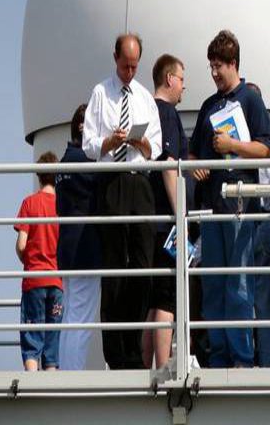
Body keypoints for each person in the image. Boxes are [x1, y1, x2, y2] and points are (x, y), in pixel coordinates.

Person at [189, 30, 270, 368]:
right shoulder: (208, 106)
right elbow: (193, 152)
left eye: (219, 65)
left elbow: (265, 149)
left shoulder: (251, 101)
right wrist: (196, 167)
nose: (214, 73)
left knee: (239, 282)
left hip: (240, 206)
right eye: (211, 65)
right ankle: (219, 355)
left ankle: (241, 356)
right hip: (212, 207)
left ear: (234, 63)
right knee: (213, 284)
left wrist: (232, 147)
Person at [82, 32, 162, 369]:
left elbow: (156, 149)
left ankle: (132, 344)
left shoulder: (145, 97)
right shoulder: (101, 93)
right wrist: (109, 141)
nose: (130, 72)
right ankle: (114, 350)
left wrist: (139, 142)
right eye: (125, 65)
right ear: (115, 58)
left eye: (134, 66)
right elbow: (87, 144)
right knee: (115, 265)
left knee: (142, 264)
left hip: (139, 181)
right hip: (112, 181)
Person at [142, 54, 188, 369]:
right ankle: (161, 368)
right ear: (169, 79)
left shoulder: (144, 111)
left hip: (146, 218)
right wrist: (180, 215)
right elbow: (169, 166)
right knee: (166, 298)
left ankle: (146, 364)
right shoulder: (167, 114)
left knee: (150, 300)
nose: (184, 86)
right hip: (164, 222)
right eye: (182, 79)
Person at [56, 104, 101, 370]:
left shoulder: (64, 160)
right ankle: (72, 373)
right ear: (84, 128)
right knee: (82, 316)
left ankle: (65, 369)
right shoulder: (84, 161)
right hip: (85, 247)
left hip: (68, 247)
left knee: (71, 314)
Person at [245, 82, 270, 368]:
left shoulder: (238, 137)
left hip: (241, 218)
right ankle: (268, 363)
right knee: (264, 303)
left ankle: (244, 360)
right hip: (264, 219)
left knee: (241, 294)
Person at [15, 152, 63, 371]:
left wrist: (29, 260)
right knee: (51, 346)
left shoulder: (29, 203)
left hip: (34, 280)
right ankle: (51, 393)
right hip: (56, 283)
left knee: (32, 341)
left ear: (39, 175)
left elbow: (21, 246)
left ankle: (32, 388)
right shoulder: (63, 207)